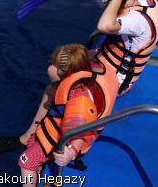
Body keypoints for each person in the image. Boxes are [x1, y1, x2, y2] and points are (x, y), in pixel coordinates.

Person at [18, 44, 98, 187]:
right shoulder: (70, 87)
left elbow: (79, 134)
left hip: (58, 142)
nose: (53, 69)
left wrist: (70, 153)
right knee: (31, 145)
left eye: (57, 67)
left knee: (26, 160)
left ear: (68, 74)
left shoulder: (79, 101)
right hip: (49, 132)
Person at [94, 0, 158, 95]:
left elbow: (103, 26)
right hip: (112, 60)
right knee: (66, 57)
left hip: (118, 81)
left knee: (58, 71)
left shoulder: (135, 20)